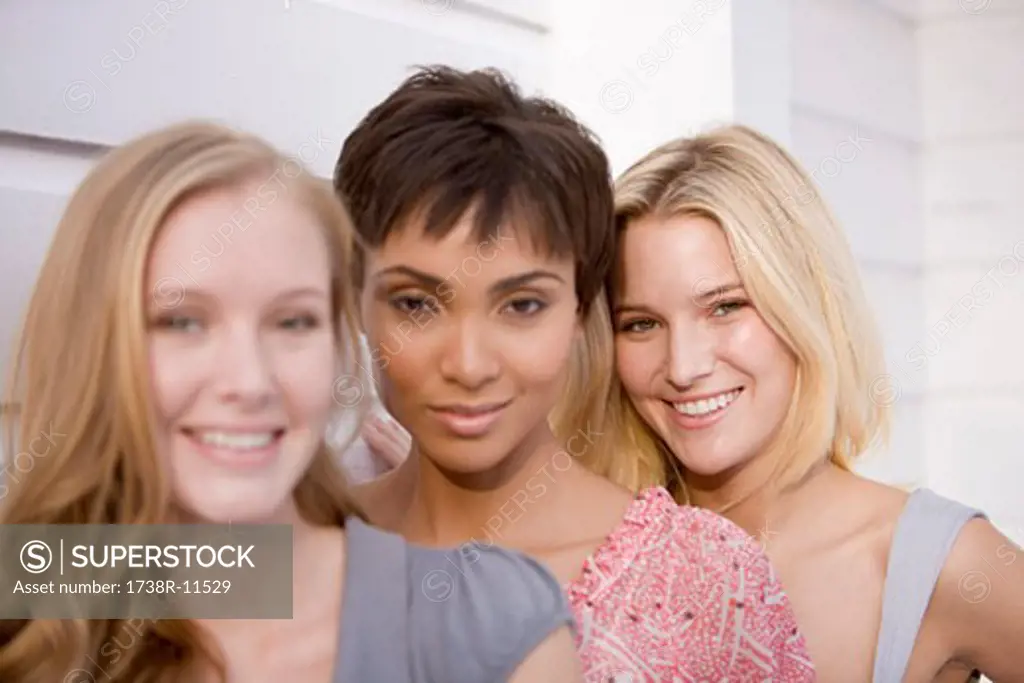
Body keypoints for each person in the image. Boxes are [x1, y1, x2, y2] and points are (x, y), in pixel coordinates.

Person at [0, 121, 583, 683]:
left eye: (293, 321)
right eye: (182, 321)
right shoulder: (36, 594)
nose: (251, 381)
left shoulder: (484, 622)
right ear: (93, 344)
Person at [334, 65, 815, 681]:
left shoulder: (711, 583)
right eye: (417, 305)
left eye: (522, 306)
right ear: (352, 300)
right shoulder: (269, 551)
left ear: (581, 310)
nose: (470, 364)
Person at [607, 124, 1024, 681]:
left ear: (805, 304)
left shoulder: (940, 562)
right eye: (640, 323)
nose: (683, 367)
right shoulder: (596, 550)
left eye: (726, 307)